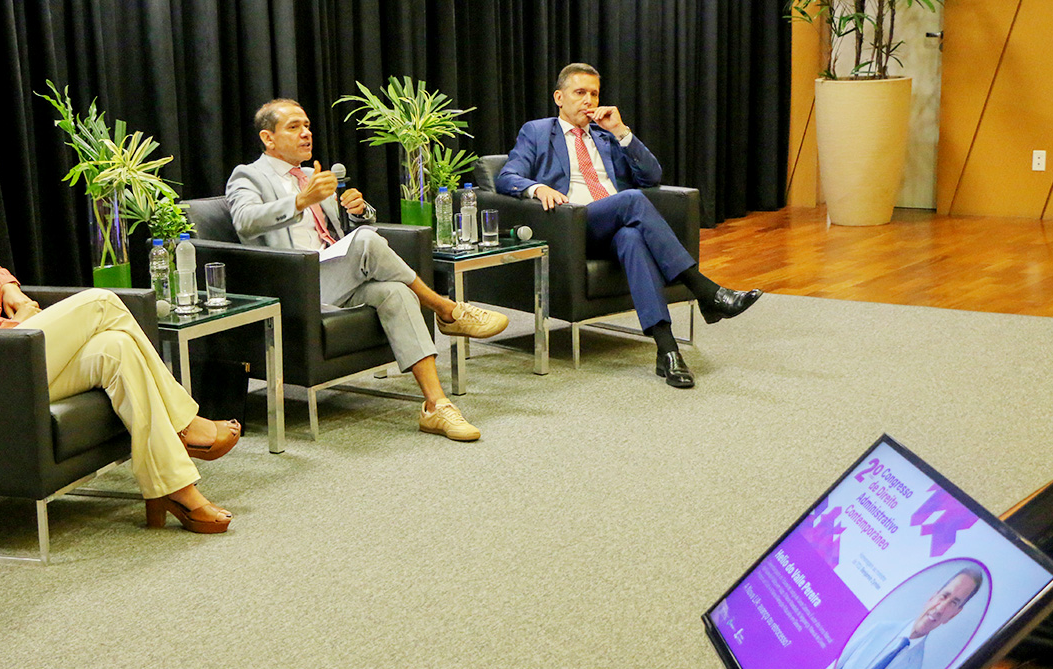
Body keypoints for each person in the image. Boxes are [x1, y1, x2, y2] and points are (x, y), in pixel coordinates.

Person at [0, 128, 238, 534]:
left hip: (5, 354)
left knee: (116, 348)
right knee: (102, 302)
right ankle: (186, 424)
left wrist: (10, 290)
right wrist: (21, 322)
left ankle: (175, 490)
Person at [226, 99, 510, 441]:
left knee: (396, 291)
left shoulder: (312, 175)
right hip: (293, 281)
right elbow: (244, 220)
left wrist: (359, 211)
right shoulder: (248, 175)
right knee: (367, 242)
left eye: (307, 126)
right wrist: (301, 200)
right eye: (294, 127)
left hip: (333, 275)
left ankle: (436, 406)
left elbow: (345, 231)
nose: (306, 133)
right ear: (268, 138)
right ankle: (447, 309)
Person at [497, 63, 763, 389]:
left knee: (632, 237)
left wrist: (621, 131)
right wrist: (537, 188)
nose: (588, 100)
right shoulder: (537, 132)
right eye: (580, 93)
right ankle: (706, 291)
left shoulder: (606, 136)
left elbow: (652, 176)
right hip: (573, 226)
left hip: (614, 225)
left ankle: (667, 351)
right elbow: (506, 177)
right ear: (559, 97)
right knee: (632, 201)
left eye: (593, 93)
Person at [831, 568, 985, 669]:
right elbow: (831, 666)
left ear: (954, 614)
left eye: (954, 603)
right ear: (933, 597)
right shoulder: (879, 629)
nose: (940, 609)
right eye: (944, 596)